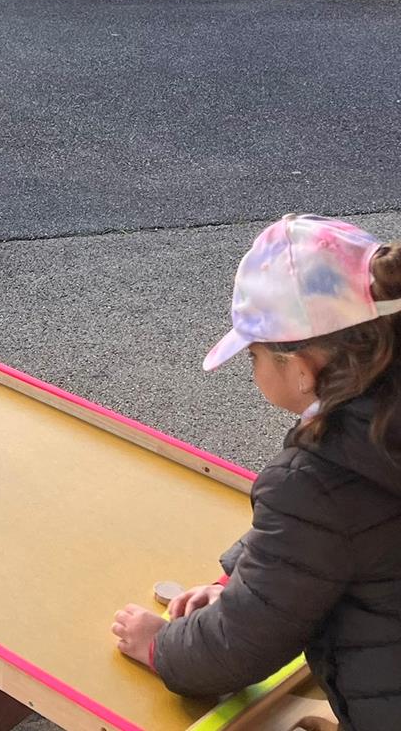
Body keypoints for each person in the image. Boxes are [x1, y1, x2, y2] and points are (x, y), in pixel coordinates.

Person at [111, 214, 401, 731]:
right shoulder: (379, 425)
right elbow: (333, 537)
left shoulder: (318, 477)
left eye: (254, 356)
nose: (254, 371)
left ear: (302, 369)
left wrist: (161, 646)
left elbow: (244, 643)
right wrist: (236, 578)